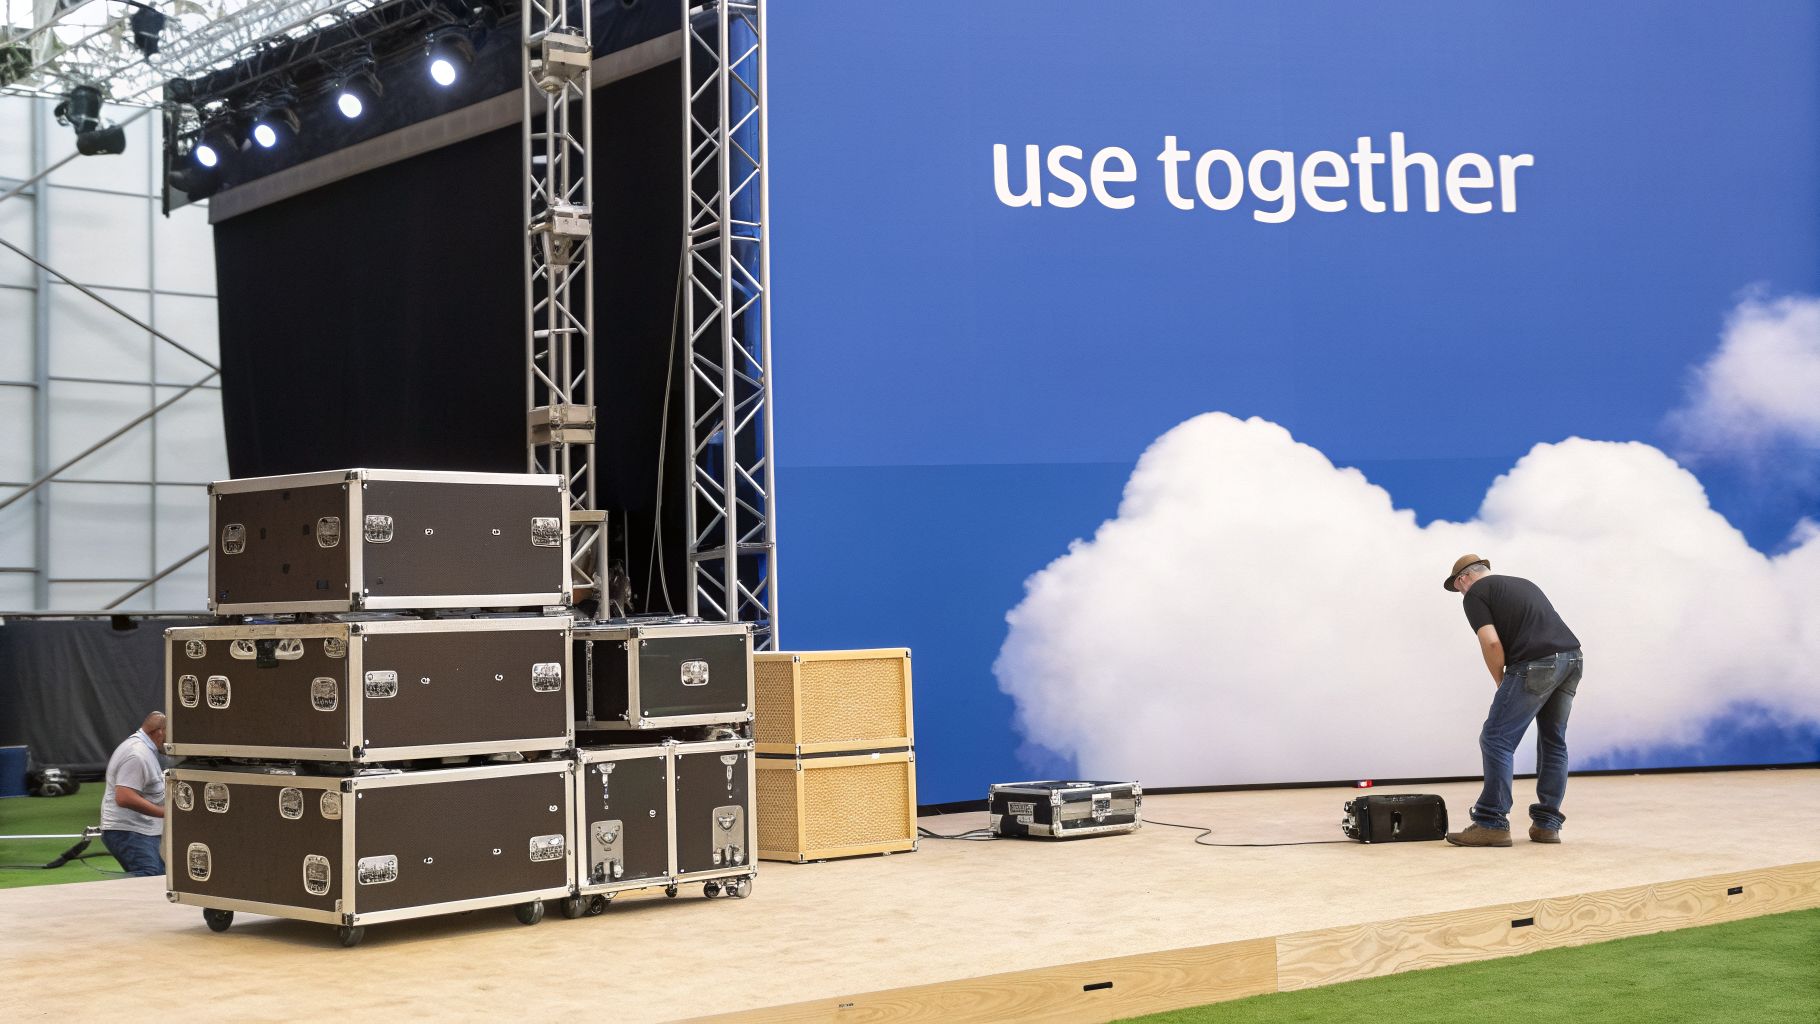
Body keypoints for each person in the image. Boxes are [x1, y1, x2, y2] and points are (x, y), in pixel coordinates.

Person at [1441, 555, 1583, 848]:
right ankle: (1547, 825)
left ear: (1463, 579)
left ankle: (1491, 823)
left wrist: (1500, 681)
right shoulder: (1523, 584)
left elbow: (1491, 641)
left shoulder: (1476, 594)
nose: (1461, 593)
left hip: (1536, 663)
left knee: (1496, 739)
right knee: (1553, 741)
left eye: (1458, 588)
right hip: (1572, 659)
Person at [100, 712, 168, 877]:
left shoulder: (143, 750)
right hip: (129, 831)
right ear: (160, 732)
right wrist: (165, 812)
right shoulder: (137, 755)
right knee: (150, 876)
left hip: (135, 831)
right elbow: (124, 797)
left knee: (158, 876)